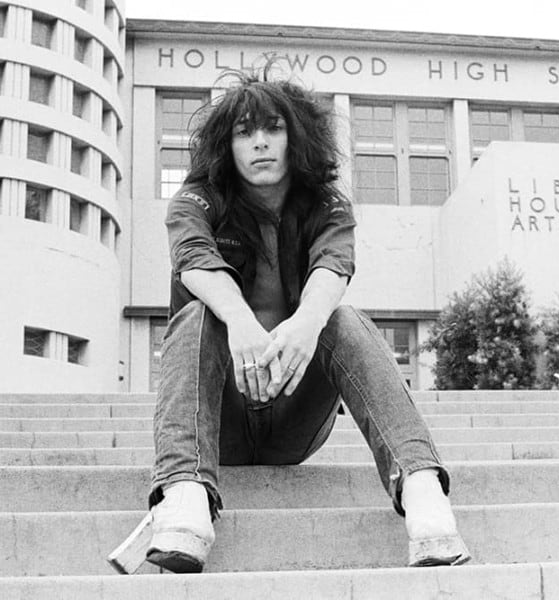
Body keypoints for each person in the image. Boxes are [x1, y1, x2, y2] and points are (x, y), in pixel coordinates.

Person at [109, 68, 470, 574]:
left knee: (344, 319)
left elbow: (334, 266)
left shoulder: (326, 202)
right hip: (221, 425)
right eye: (244, 132)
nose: (260, 143)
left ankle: (423, 491)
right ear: (226, 145)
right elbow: (192, 259)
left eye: (273, 128)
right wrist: (240, 322)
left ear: (295, 135)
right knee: (196, 317)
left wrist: (305, 324)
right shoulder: (197, 198)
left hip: (295, 422)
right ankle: (185, 496)